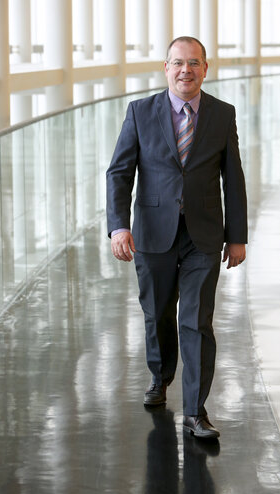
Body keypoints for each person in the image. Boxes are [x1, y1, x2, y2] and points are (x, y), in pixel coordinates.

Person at [106, 36, 247, 440]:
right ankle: (160, 375)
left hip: (204, 234)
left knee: (197, 320)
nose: (186, 70)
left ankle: (195, 411)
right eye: (178, 63)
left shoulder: (222, 114)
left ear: (207, 68)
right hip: (152, 232)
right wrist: (119, 226)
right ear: (166, 68)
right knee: (159, 314)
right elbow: (119, 172)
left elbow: (232, 178)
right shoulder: (140, 112)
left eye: (194, 63)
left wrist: (237, 236)